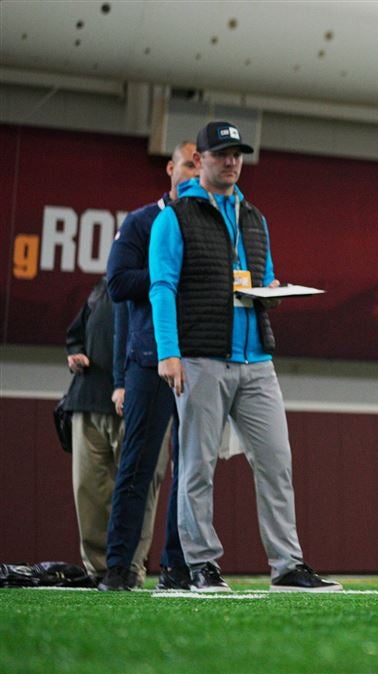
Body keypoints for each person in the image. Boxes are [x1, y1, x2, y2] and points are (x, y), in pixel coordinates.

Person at [149, 121, 340, 592]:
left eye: (238, 154)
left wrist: (272, 291)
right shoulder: (175, 217)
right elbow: (161, 288)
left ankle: (287, 565)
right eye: (223, 154)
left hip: (256, 359)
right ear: (201, 160)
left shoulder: (255, 218)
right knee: (196, 466)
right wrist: (169, 353)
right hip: (199, 358)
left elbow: (264, 277)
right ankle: (201, 565)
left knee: (276, 461)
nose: (233, 162)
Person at [100, 140, 199, 591]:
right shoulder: (143, 222)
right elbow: (118, 283)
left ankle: (177, 567)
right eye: (188, 164)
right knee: (137, 465)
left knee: (191, 468)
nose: (195, 171)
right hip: (150, 358)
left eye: (202, 163)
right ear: (170, 168)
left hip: (199, 357)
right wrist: (168, 274)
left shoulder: (212, 224)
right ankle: (119, 566)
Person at [63, 277, 152, 586]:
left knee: (137, 490)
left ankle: (129, 567)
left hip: (140, 402)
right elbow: (75, 335)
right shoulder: (101, 289)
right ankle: (98, 569)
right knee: (88, 489)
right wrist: (75, 354)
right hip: (89, 398)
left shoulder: (158, 285)